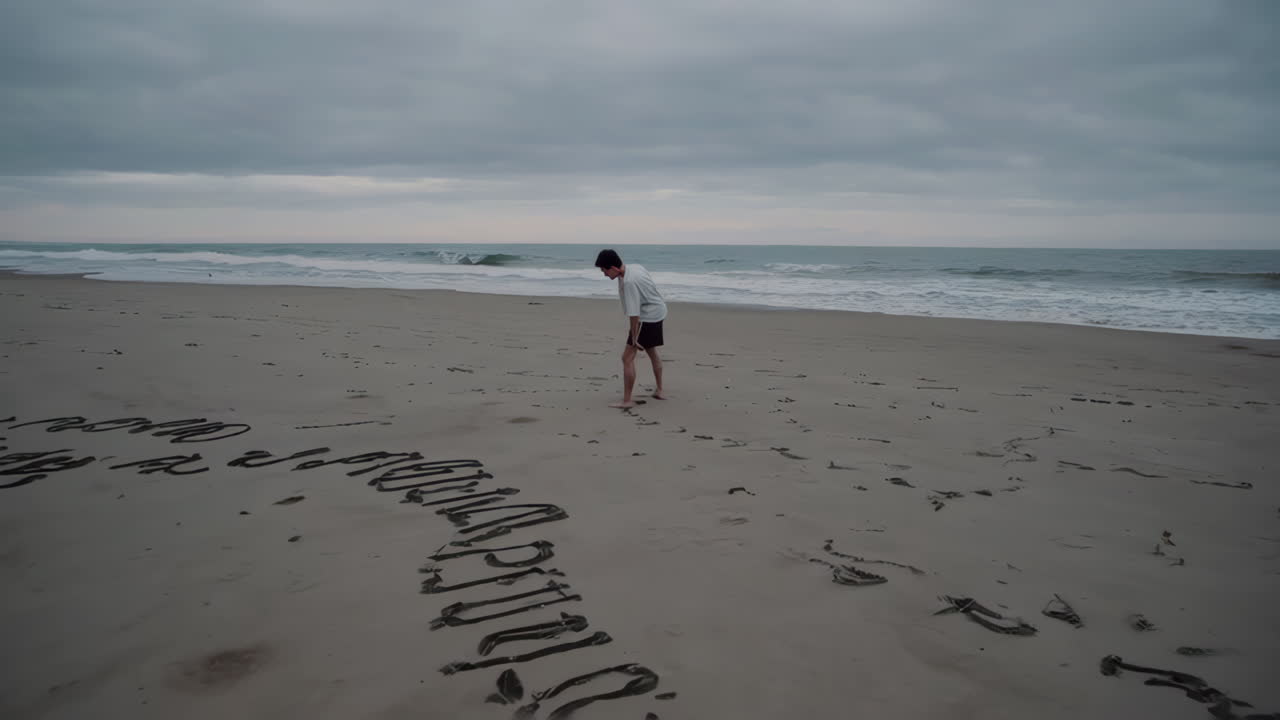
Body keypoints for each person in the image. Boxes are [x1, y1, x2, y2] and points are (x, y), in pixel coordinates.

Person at [594, 249, 667, 409]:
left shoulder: (629, 282)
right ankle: (660, 391)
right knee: (651, 351)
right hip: (658, 310)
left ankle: (627, 401)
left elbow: (634, 315)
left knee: (627, 358)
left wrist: (634, 338)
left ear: (613, 267)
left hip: (647, 317)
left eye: (604, 270)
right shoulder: (635, 268)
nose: (604, 274)